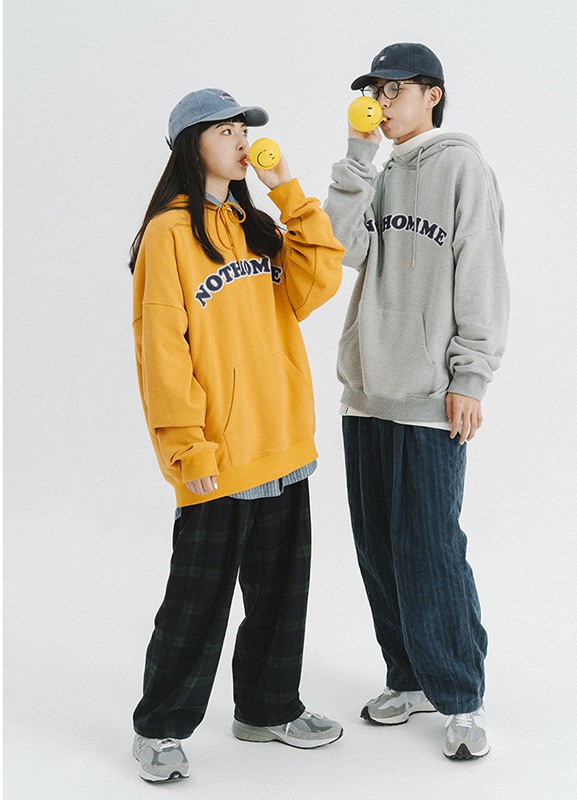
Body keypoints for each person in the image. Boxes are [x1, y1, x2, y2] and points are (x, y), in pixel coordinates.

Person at [129, 88, 345, 782]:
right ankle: (160, 728)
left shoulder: (254, 225)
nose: (242, 140)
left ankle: (267, 709)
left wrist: (288, 191)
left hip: (282, 440)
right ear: (190, 146)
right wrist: (184, 445)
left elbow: (318, 280)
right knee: (197, 603)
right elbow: (161, 349)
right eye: (225, 130)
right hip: (217, 457)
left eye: (243, 129)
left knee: (282, 592)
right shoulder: (168, 234)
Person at [324, 43, 509, 759]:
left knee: (430, 548)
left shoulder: (463, 167)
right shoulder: (379, 171)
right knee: (378, 549)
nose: (381, 102)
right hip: (366, 393)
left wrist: (471, 376)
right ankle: (407, 678)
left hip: (431, 396)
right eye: (375, 91)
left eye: (393, 90)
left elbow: (481, 273)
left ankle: (459, 696)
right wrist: (357, 157)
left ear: (432, 95)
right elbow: (340, 250)